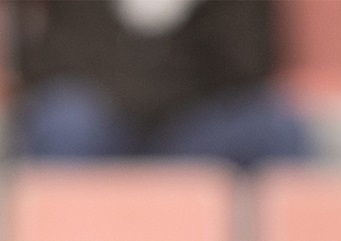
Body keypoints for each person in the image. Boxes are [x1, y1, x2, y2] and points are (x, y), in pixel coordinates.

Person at [10, 0, 310, 168]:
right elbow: (50, 61)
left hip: (197, 126)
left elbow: (254, 63)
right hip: (106, 119)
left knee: (275, 128)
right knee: (63, 118)